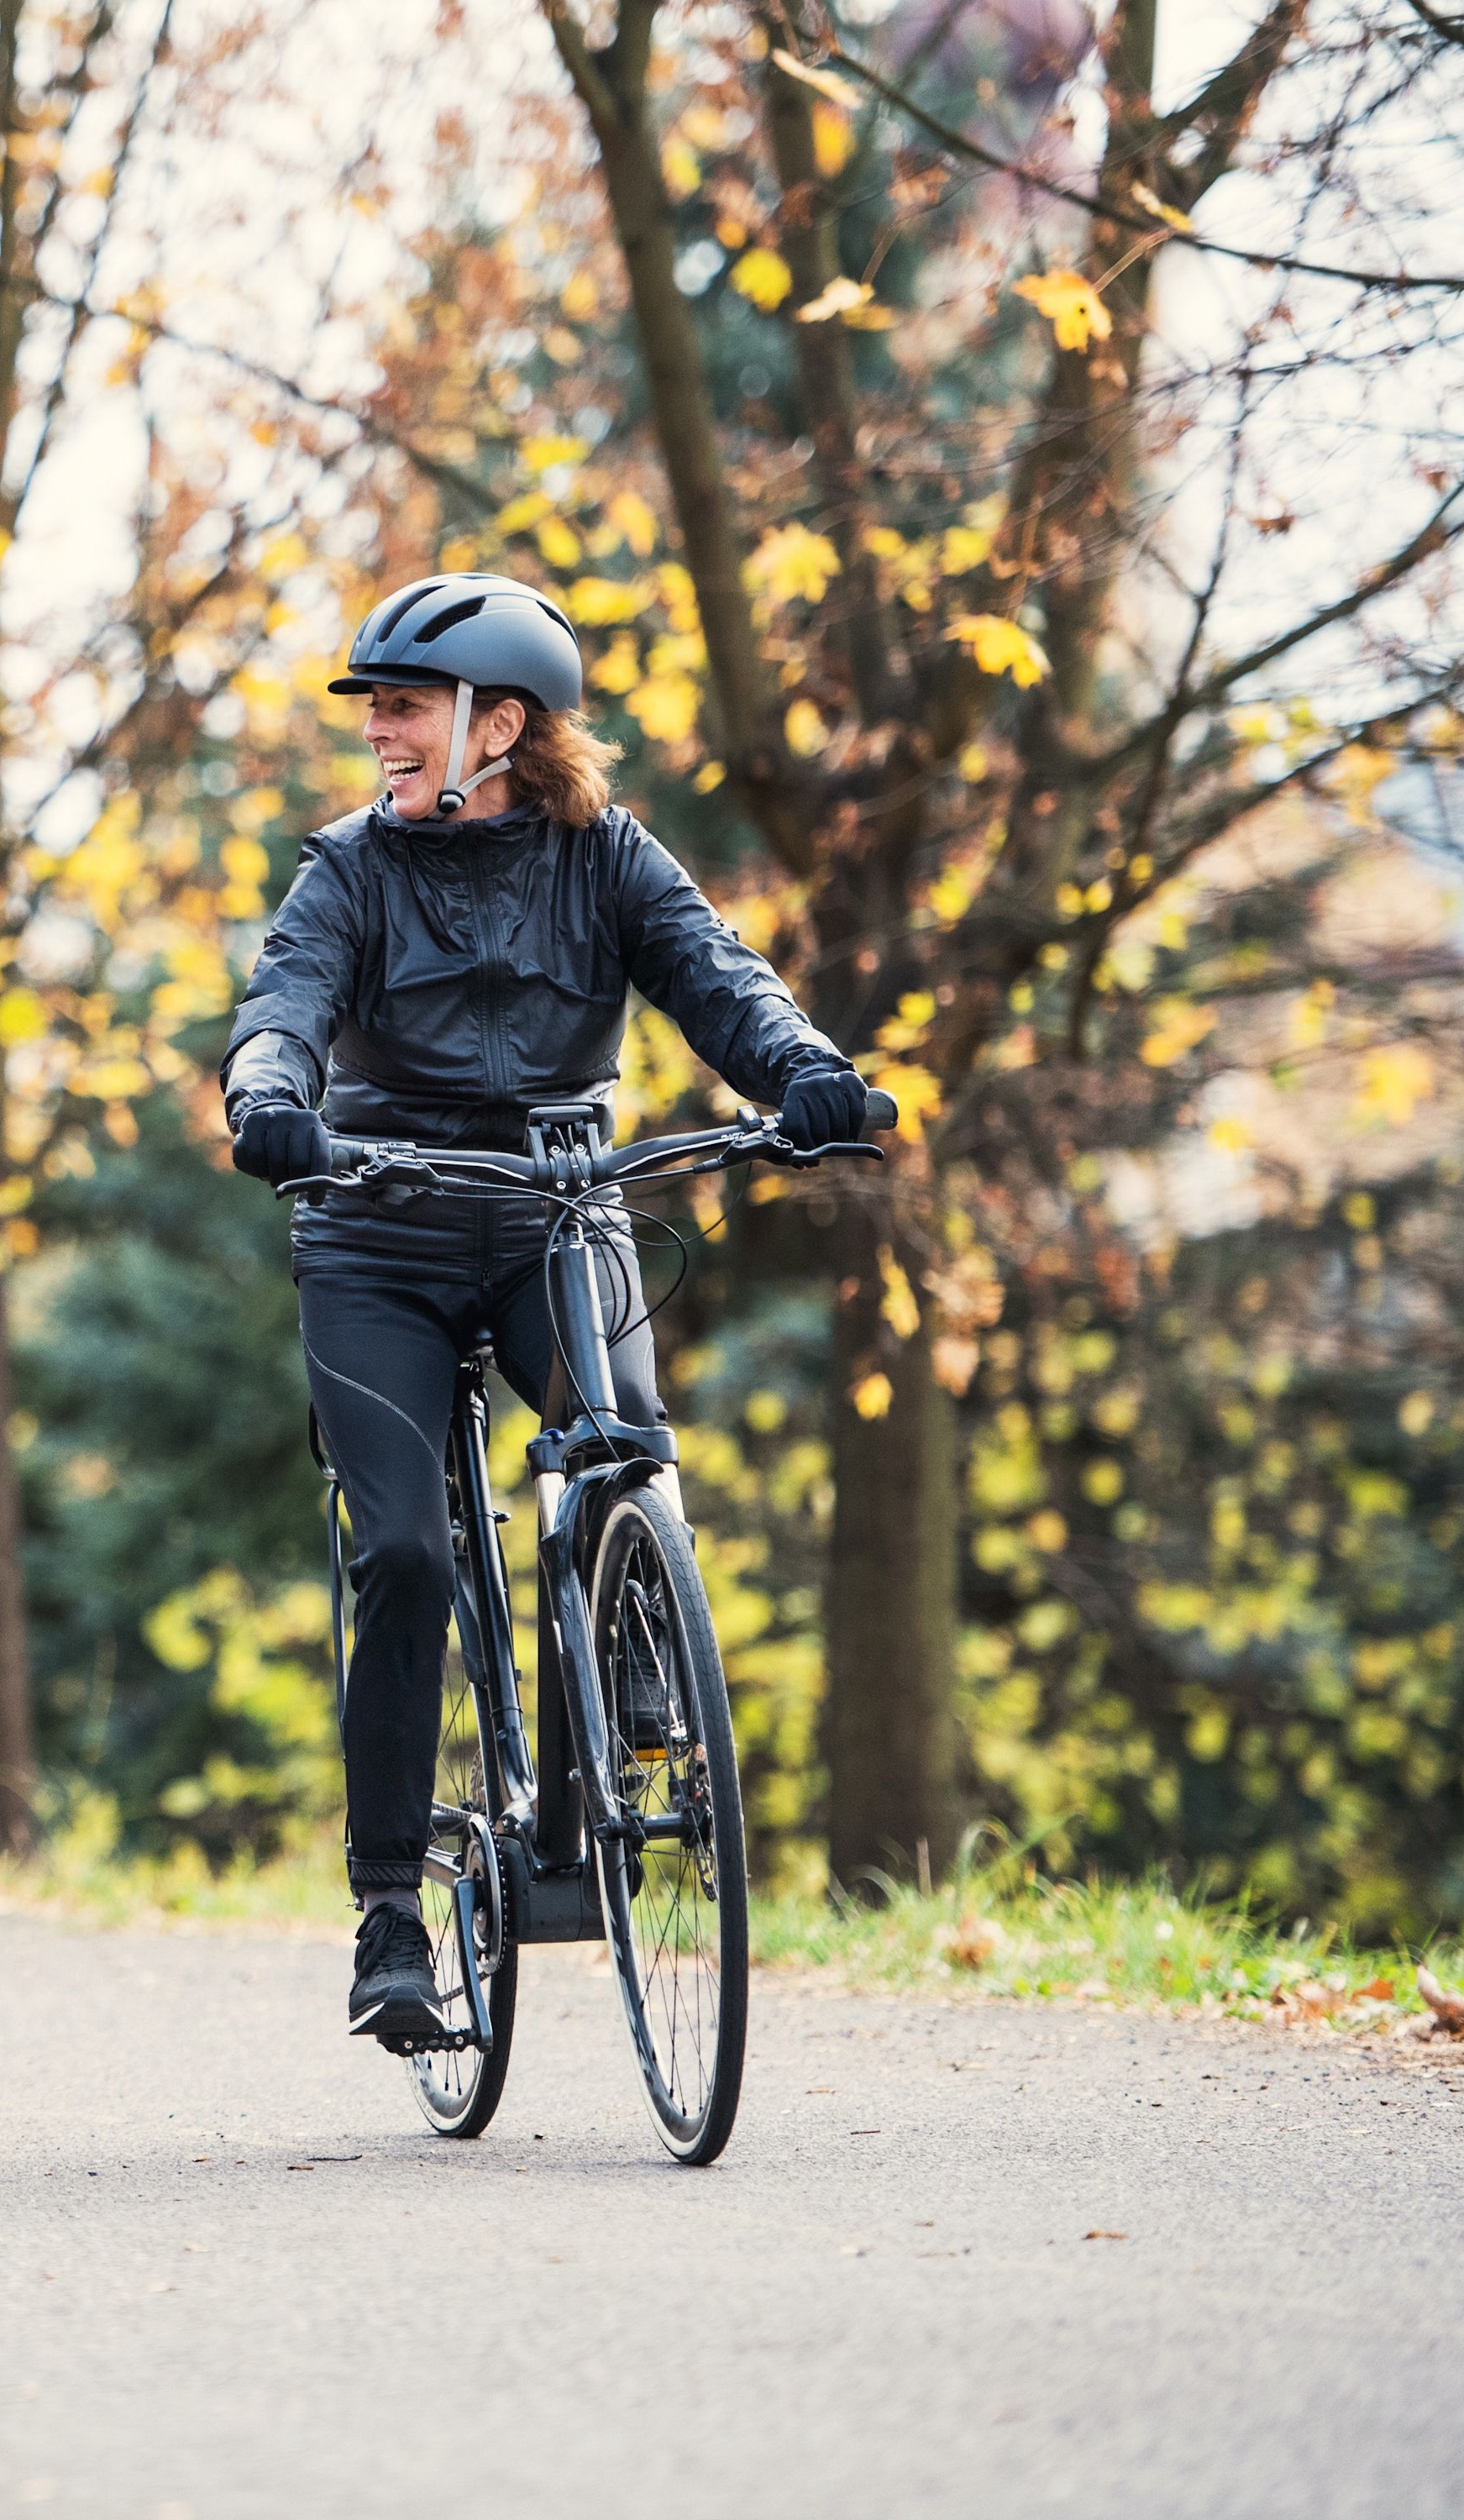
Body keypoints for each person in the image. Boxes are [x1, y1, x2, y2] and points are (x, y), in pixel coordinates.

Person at [218, 574, 874, 2039]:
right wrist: (270, 1093)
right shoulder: (348, 869)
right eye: (376, 706)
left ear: (496, 723)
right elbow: (286, 1001)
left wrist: (805, 1071)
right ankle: (392, 1909)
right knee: (399, 1549)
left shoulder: (610, 860)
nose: (379, 732)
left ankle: (639, 1656)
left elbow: (722, 980)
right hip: (379, 1234)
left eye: (403, 704)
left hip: (552, 1217)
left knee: (626, 1437)